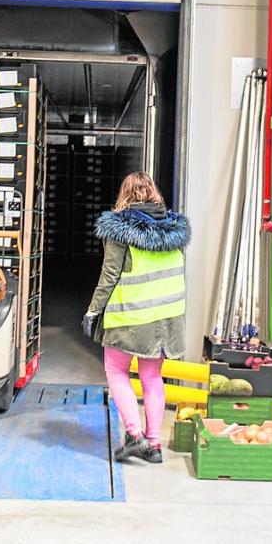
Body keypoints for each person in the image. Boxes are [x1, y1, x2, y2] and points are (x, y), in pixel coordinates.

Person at [83, 172, 191, 464]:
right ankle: (154, 445)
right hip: (167, 318)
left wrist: (93, 311)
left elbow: (109, 276)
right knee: (152, 377)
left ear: (124, 195)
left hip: (130, 316)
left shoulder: (119, 230)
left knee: (116, 370)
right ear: (154, 193)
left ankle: (134, 435)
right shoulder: (175, 231)